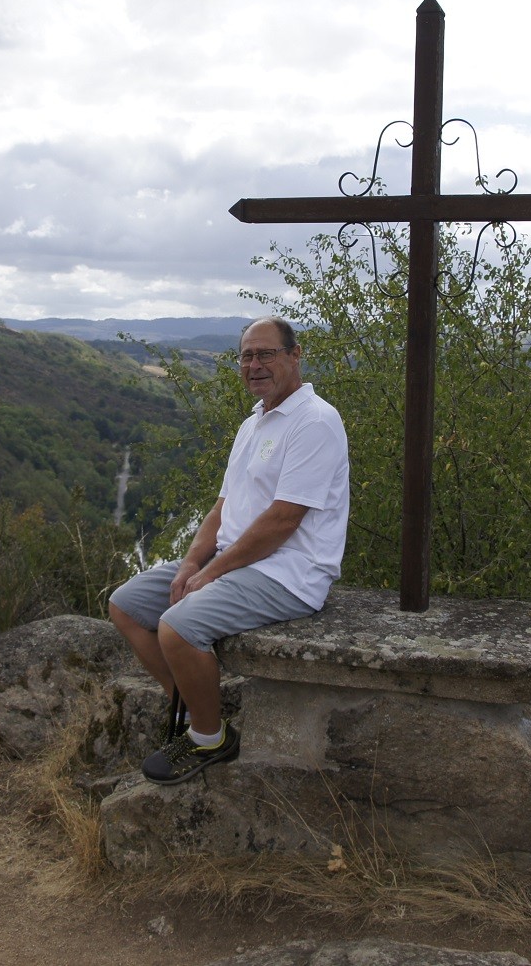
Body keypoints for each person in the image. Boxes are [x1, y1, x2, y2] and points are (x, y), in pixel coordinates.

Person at [108, 316, 350, 785]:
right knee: (127, 605)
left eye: (267, 354)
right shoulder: (253, 424)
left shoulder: (315, 421)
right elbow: (223, 506)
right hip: (235, 561)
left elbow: (284, 520)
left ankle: (209, 737)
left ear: (295, 356)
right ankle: (191, 703)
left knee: (176, 627)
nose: (255, 364)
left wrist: (211, 574)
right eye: (247, 355)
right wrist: (194, 562)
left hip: (289, 573)